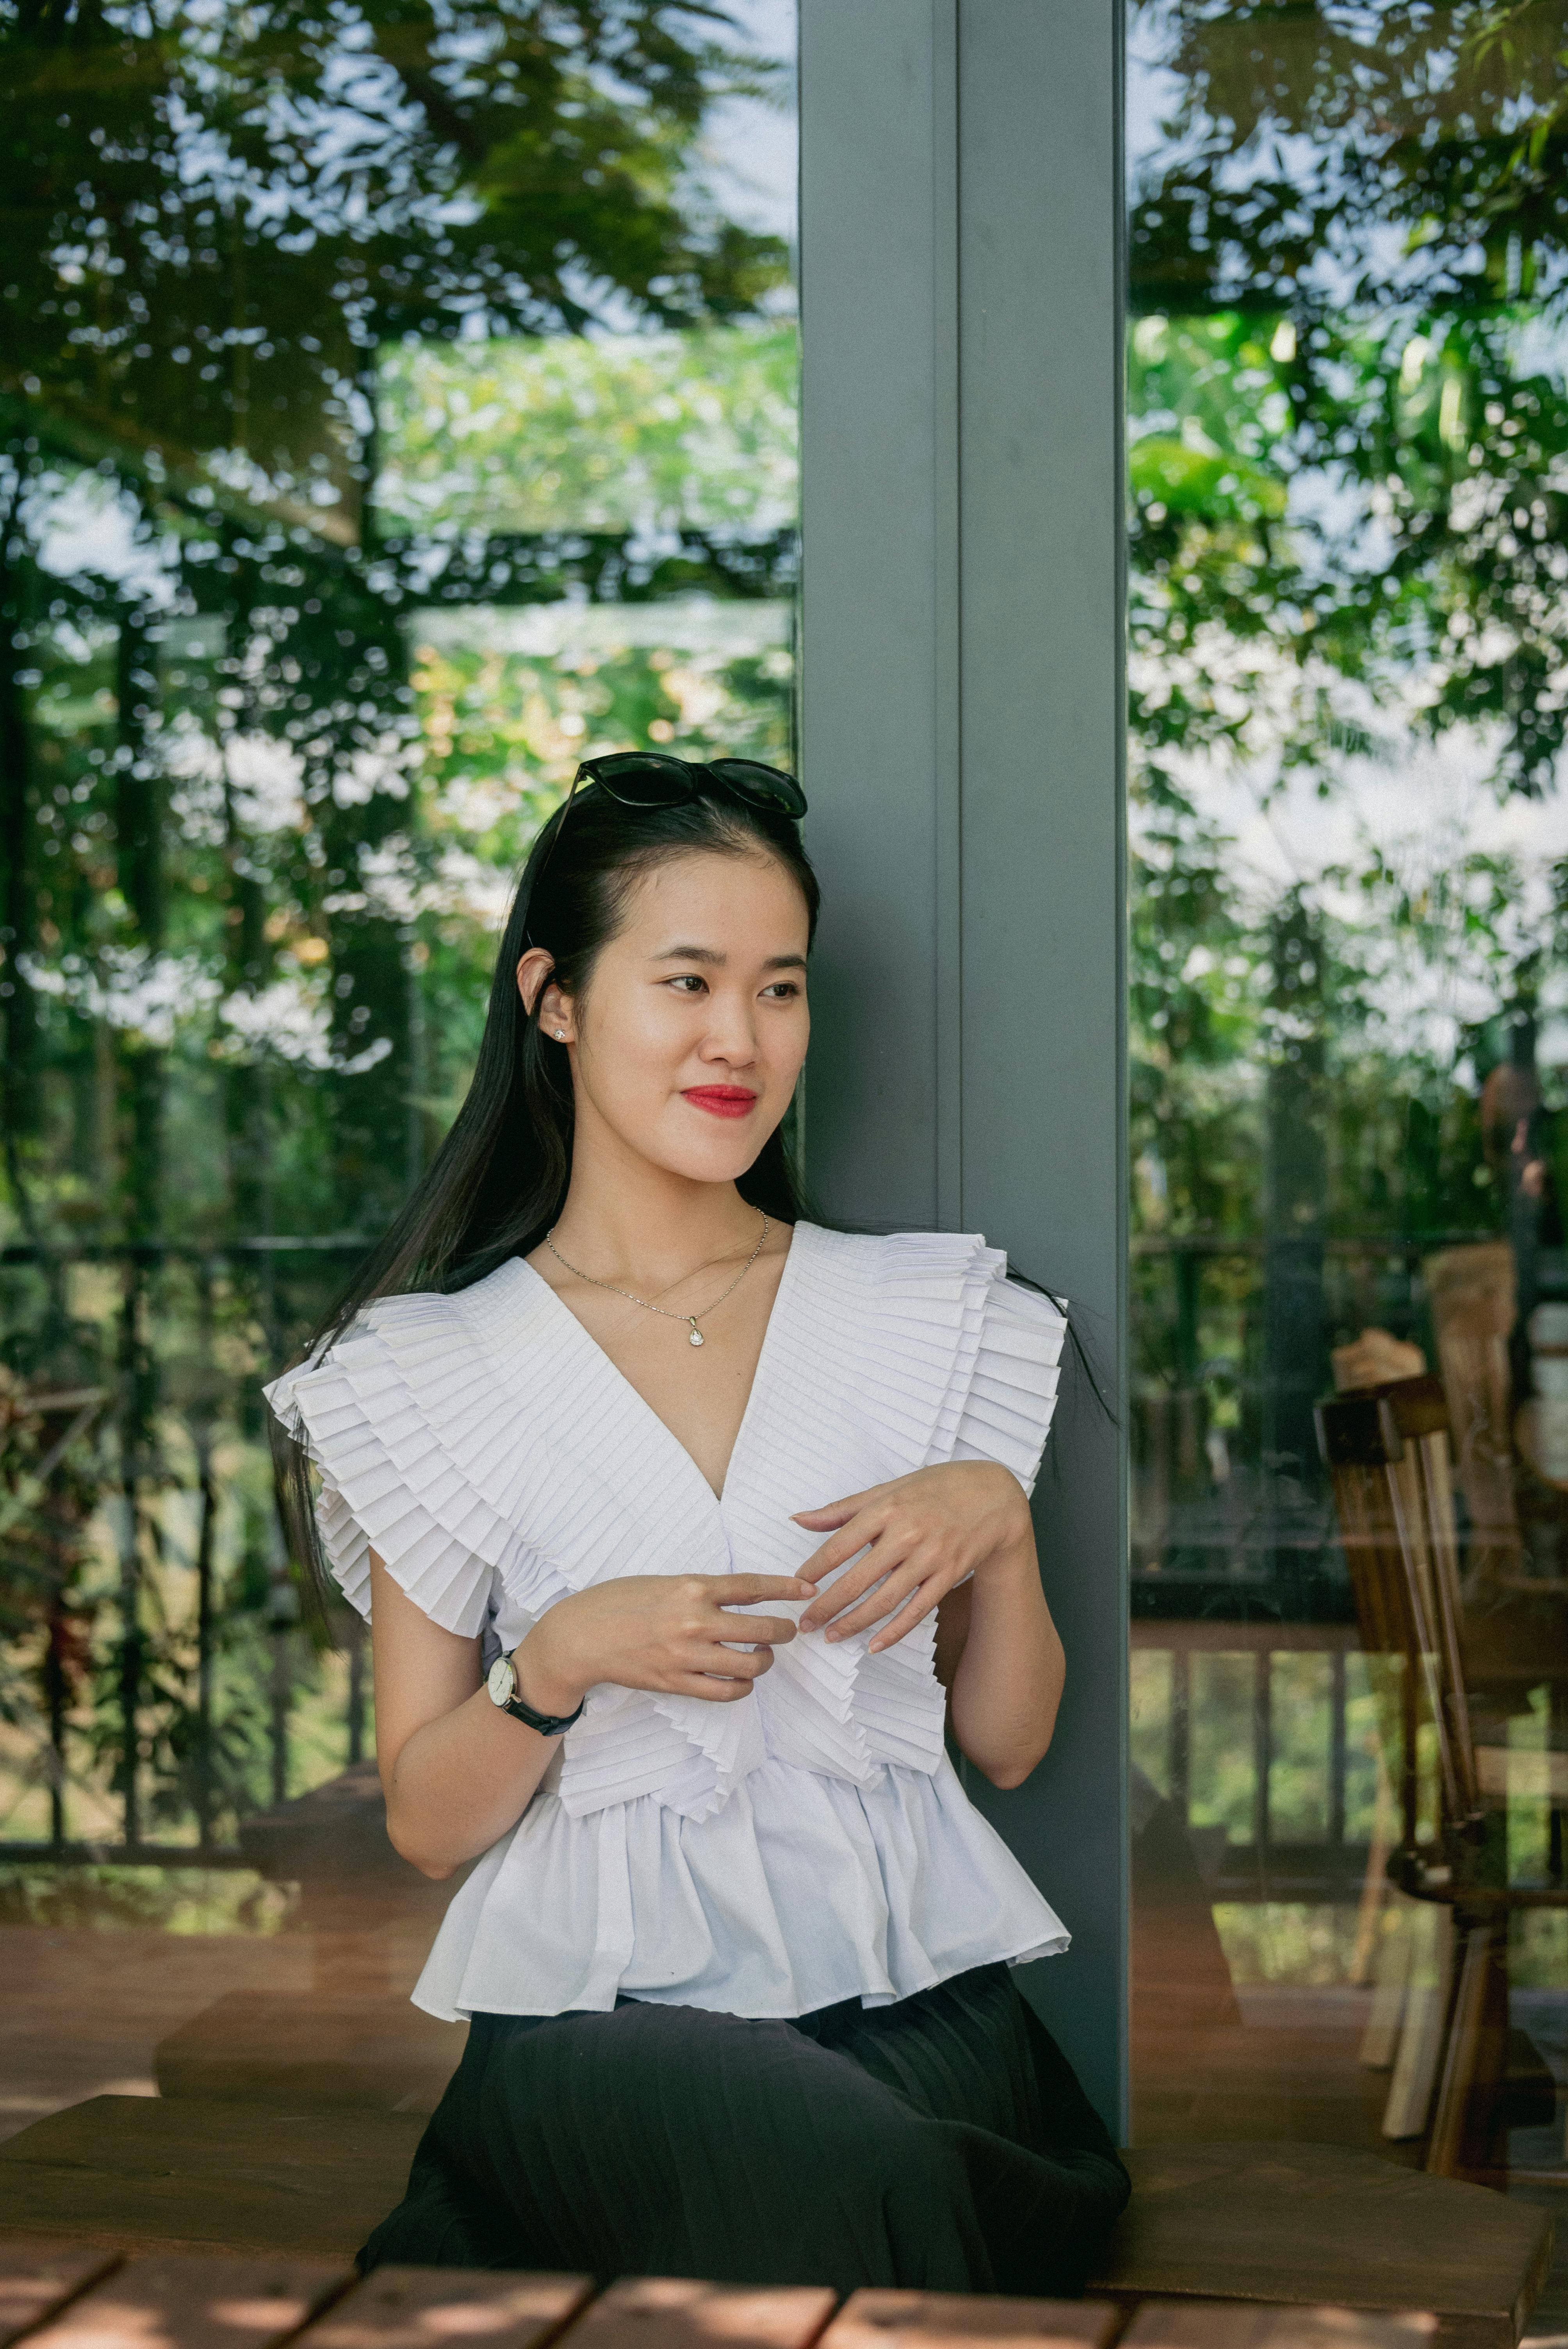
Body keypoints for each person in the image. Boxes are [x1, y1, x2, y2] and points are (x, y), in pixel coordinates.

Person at [266, 751, 1129, 2295]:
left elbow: (1003, 1743)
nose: (741, 1038)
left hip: (912, 2017)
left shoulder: (928, 1314)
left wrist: (997, 1525)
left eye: (779, 988)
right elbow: (425, 1819)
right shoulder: (426, 1370)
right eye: (686, 980)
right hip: (604, 2027)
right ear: (554, 996)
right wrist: (561, 1659)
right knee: (843, 2186)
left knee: (882, 2174)